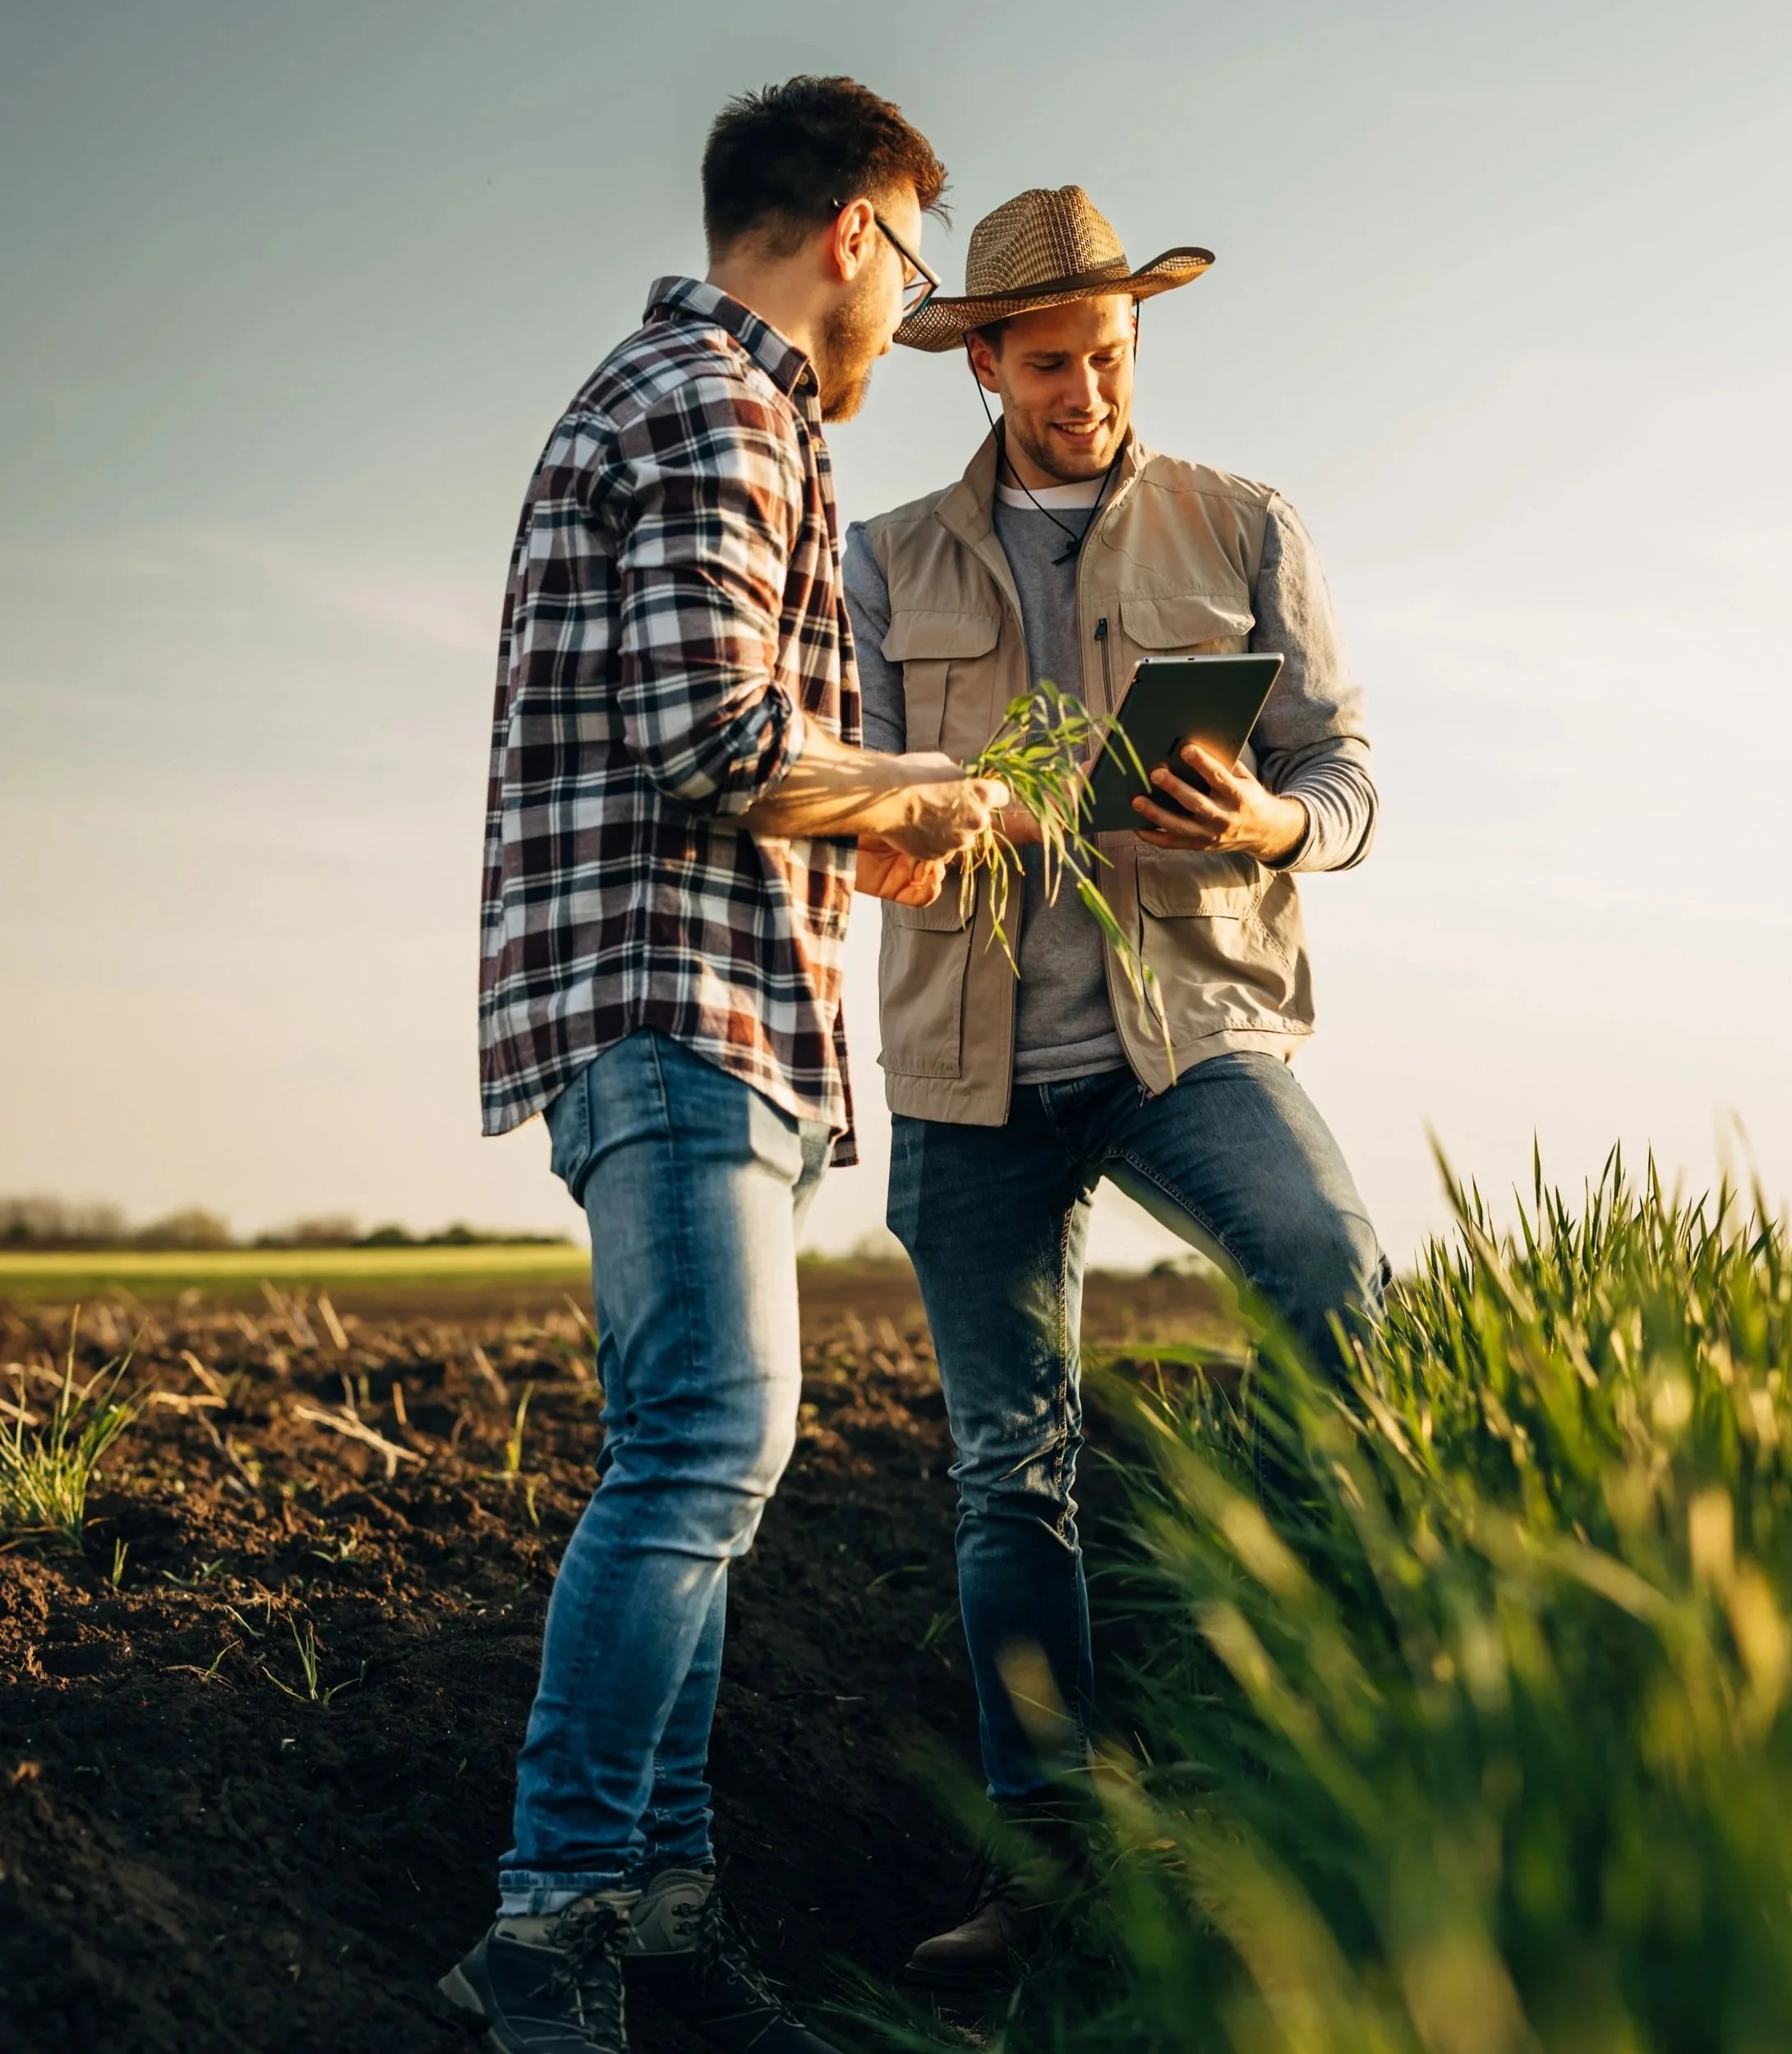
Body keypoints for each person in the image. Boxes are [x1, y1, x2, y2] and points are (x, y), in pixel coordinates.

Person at [446, 78, 1007, 2054]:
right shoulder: (718, 399)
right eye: (914, 256)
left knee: (699, 1459)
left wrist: (878, 824)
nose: (907, 306)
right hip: (670, 1006)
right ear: (853, 225)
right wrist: (951, 781)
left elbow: (748, 758)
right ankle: (552, 1919)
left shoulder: (712, 404)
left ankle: (660, 1930)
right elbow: (708, 740)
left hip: (714, 1003)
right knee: (702, 1449)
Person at [843, 184, 1391, 1988]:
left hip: (1192, 1031)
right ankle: (1051, 1868)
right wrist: (886, 837)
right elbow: (835, 792)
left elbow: (1344, 768)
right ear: (981, 360)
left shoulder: (1241, 519)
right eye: (1051, 358)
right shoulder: (881, 558)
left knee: (1330, 1274)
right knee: (1013, 1470)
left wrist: (1273, 821)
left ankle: (1317, 1764)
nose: (1086, 386)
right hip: (971, 1067)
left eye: (1110, 352)